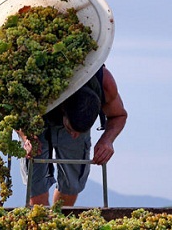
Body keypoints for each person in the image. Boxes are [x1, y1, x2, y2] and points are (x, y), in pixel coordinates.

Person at [17, 64, 127, 206]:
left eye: (79, 132)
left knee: (72, 182)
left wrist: (107, 140)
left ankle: (61, 221)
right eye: (71, 130)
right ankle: (41, 222)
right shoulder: (33, 85)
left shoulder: (104, 83)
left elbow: (119, 115)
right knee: (35, 181)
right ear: (63, 111)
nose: (74, 135)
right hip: (36, 117)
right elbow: (15, 115)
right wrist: (27, 137)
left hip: (76, 118)